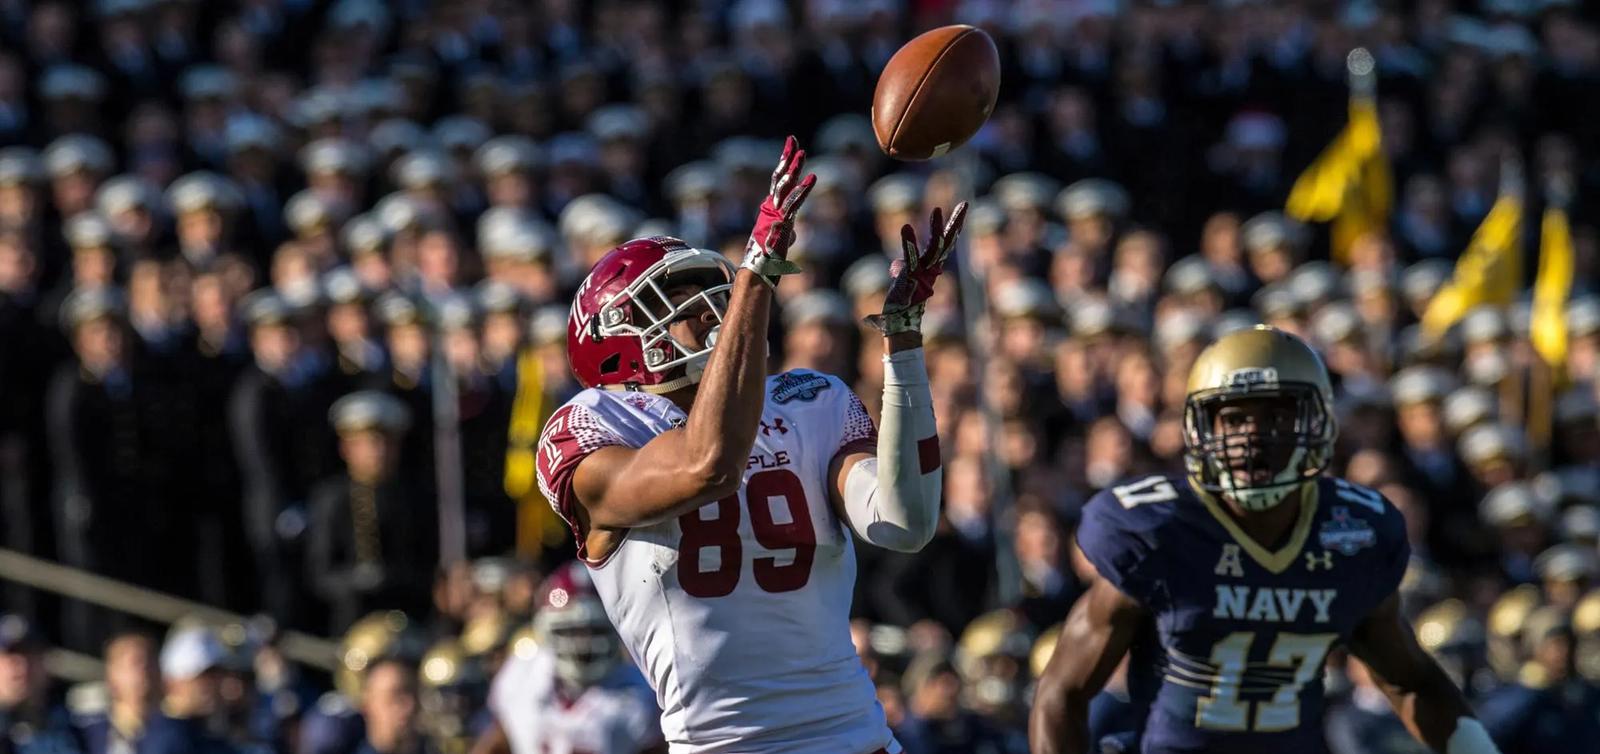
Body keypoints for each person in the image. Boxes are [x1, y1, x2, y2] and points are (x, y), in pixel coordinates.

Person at [533, 137, 960, 752]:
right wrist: (756, 275)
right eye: (680, 303)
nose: (714, 310)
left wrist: (904, 347)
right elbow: (707, 466)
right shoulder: (596, 424)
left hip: (857, 737)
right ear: (614, 339)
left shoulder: (808, 399)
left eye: (718, 291)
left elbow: (903, 521)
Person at [1029, 327, 1499, 754]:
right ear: (1201, 428)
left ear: (1315, 424)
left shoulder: (1348, 534)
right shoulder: (1161, 531)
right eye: (1234, 420)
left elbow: (1413, 682)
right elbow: (1062, 690)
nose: (1253, 438)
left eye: (1275, 418)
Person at [473, 563, 661, 754]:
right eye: (570, 631)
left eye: (593, 631)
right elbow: (497, 740)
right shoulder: (522, 675)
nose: (582, 644)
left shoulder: (642, 692)